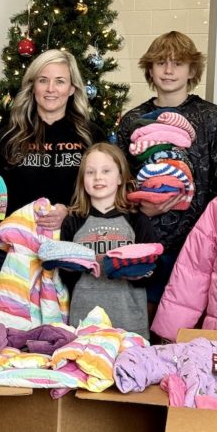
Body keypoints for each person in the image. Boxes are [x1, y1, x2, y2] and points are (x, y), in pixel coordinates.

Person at [116, 31, 217, 317]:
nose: (168, 71)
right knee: (144, 320)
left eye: (177, 63)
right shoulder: (132, 120)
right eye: (161, 63)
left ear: (192, 69)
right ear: (150, 69)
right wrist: (137, 205)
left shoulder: (212, 119)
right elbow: (120, 180)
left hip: (195, 243)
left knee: (184, 324)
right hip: (145, 238)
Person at [0, 49, 104, 232]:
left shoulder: (92, 136)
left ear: (71, 89)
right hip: (15, 245)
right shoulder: (8, 135)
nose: (50, 89)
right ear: (33, 86)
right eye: (43, 80)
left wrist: (70, 213)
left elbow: (106, 194)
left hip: (72, 242)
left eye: (60, 81)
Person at [59, 143, 156, 336]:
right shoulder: (73, 221)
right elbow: (64, 277)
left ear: (120, 177)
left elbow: (153, 271)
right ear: (82, 180)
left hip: (129, 324)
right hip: (84, 322)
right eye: (90, 172)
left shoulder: (137, 220)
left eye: (106, 171)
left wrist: (138, 271)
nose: (98, 177)